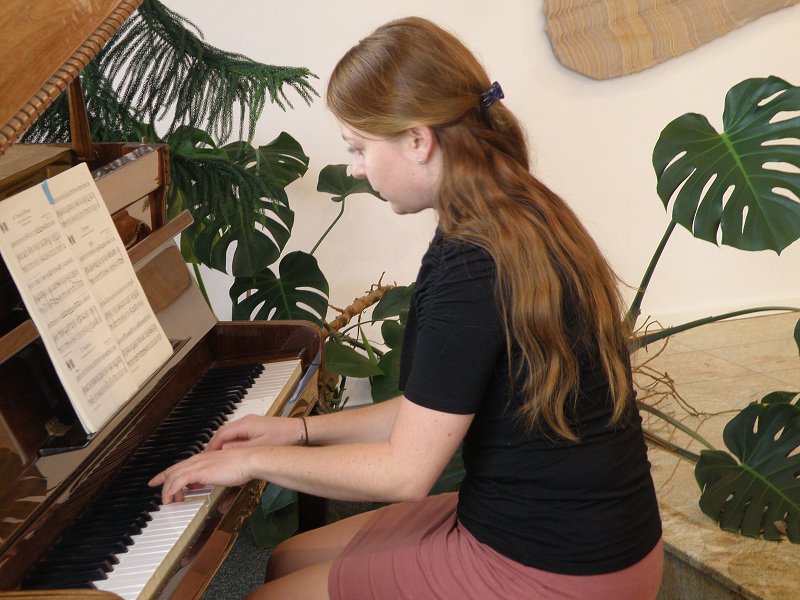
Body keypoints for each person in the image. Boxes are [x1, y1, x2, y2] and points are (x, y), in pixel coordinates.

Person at [149, 16, 663, 600]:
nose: (355, 167)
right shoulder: (507, 209)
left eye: (359, 147)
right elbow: (432, 409)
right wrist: (296, 431)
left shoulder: (474, 262)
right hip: (580, 530)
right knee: (288, 558)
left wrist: (252, 463)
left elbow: (405, 472)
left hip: (559, 565)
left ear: (419, 141)